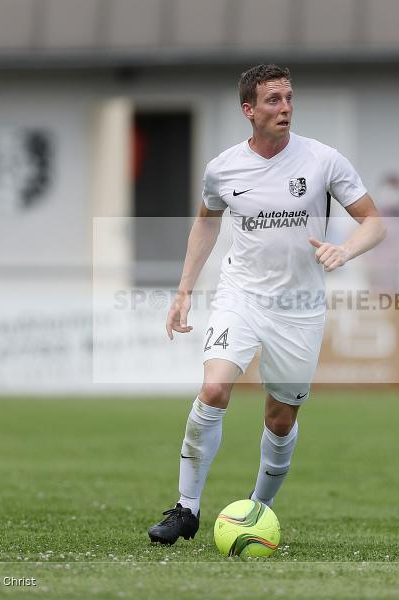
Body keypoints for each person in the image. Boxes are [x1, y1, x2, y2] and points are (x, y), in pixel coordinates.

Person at [148, 64, 386, 544]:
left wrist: (346, 249)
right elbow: (206, 222)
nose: (285, 108)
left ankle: (258, 511)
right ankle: (186, 508)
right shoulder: (223, 168)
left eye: (289, 98)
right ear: (248, 109)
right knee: (214, 390)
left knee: (280, 418)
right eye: (273, 100)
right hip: (242, 295)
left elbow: (373, 222)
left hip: (300, 306)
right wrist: (183, 292)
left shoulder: (323, 160)